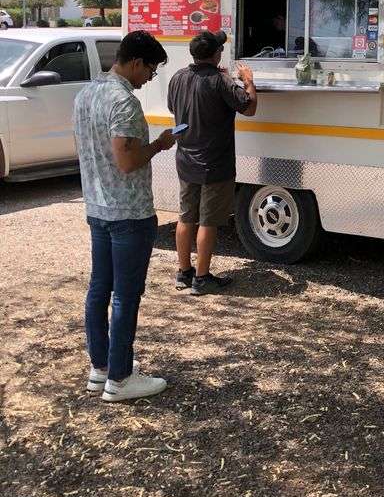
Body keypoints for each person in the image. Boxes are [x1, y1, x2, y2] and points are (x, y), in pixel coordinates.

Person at [74, 30, 176, 403]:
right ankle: (120, 378)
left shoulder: (86, 94)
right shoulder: (124, 103)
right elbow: (128, 160)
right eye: (150, 69)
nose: (150, 77)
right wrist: (160, 145)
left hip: (97, 206)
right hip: (128, 213)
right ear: (135, 62)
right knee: (126, 295)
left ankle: (100, 369)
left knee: (99, 288)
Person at [167, 30, 257, 295]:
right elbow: (249, 107)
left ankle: (184, 272)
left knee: (186, 217)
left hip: (185, 159)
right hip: (215, 163)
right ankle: (203, 278)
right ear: (216, 54)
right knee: (208, 221)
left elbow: (175, 109)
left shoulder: (178, 77)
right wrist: (248, 81)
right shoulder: (222, 81)